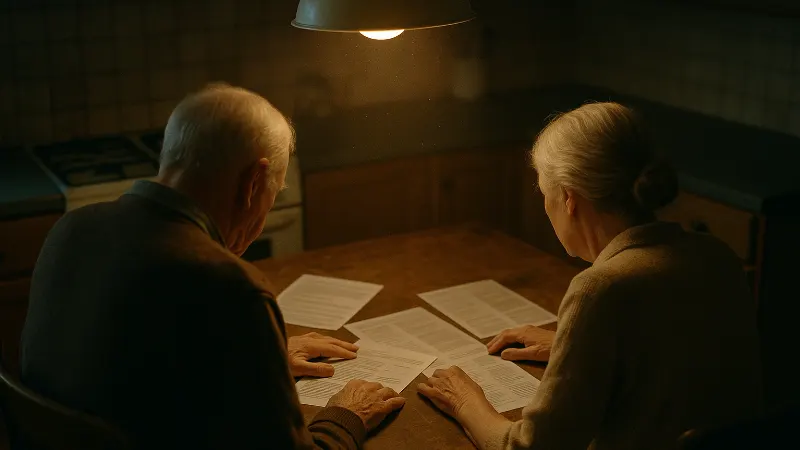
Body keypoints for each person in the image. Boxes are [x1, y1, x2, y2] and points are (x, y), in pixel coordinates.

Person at [20, 84, 404, 450]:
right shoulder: (230, 287)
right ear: (253, 183)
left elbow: (140, 365)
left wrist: (257, 361)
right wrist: (346, 415)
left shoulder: (70, 229)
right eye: (272, 195)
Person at [417, 102, 763, 449]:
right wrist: (570, 347)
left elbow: (534, 448)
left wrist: (465, 402)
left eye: (544, 192)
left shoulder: (600, 289)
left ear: (569, 198)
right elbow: (672, 356)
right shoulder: (717, 256)